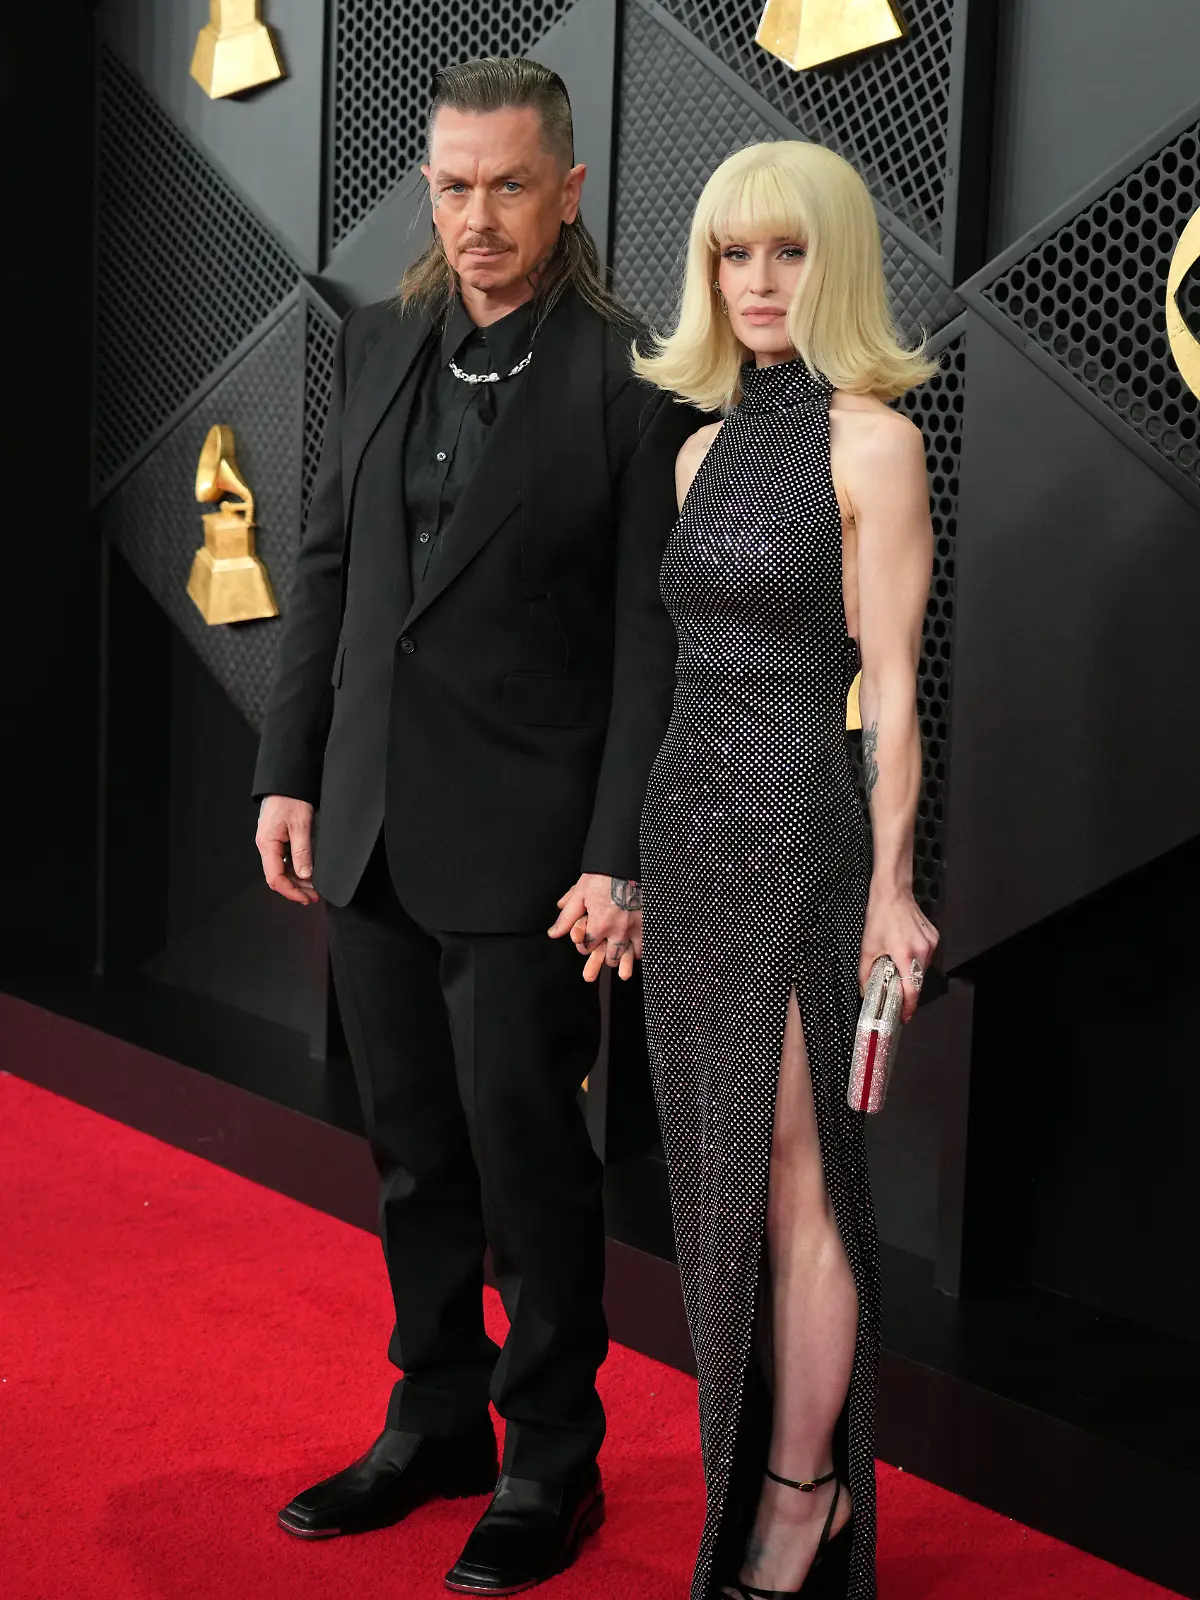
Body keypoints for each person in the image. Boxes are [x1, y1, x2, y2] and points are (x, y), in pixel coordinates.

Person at [251, 57, 695, 1595]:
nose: (478, 217)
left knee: (529, 1167)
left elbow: (654, 643)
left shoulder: (637, 375)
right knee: (411, 1157)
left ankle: (548, 1462)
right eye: (452, 185)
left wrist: (615, 849)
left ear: (567, 188)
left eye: (510, 186)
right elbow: (326, 567)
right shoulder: (378, 340)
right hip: (369, 818)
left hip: (532, 853)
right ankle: (431, 1415)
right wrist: (287, 766)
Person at [632, 141, 941, 1600]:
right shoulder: (695, 450)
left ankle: (804, 1492)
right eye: (732, 256)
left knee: (803, 1180)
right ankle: (753, 1467)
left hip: (799, 831)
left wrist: (892, 887)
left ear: (837, 265)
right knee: (725, 1175)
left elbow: (888, 688)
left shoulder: (871, 442)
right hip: (685, 833)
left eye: (788, 252)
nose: (757, 282)